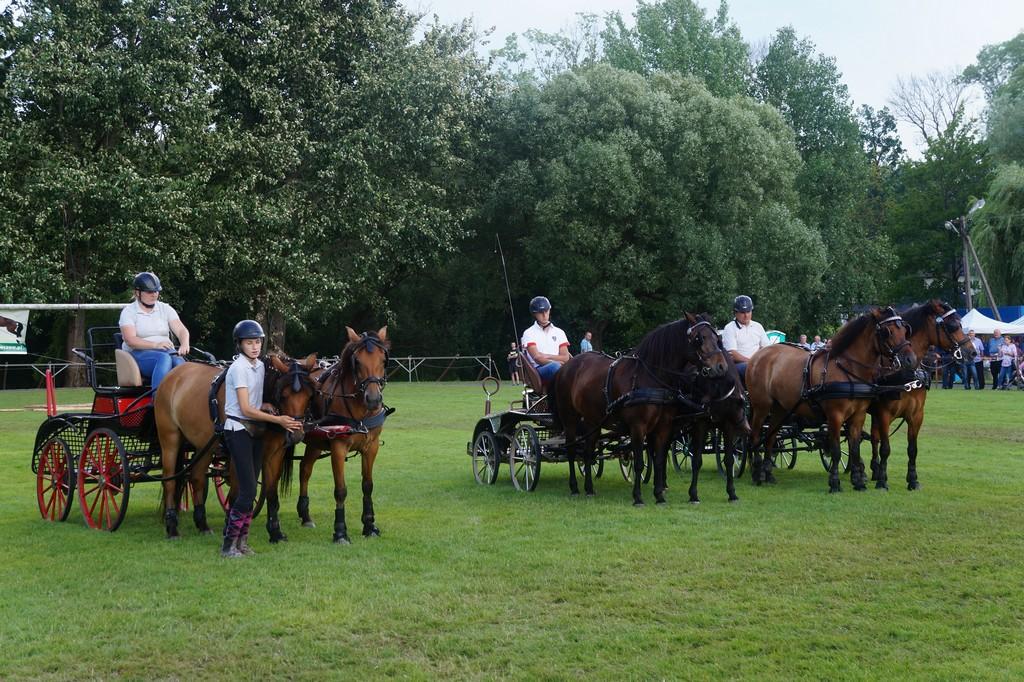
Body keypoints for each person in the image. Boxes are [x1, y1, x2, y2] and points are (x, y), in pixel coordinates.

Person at [220, 320, 302, 558]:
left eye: (257, 342)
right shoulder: (239, 368)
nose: (255, 347)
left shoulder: (259, 367)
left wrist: (265, 404)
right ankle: (228, 546)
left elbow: (255, 402)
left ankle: (242, 543)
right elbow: (245, 409)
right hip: (238, 429)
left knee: (250, 492)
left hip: (256, 430)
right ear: (239, 345)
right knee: (247, 492)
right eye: (249, 343)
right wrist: (279, 420)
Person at [119, 271, 190, 391]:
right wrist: (155, 345)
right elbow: (130, 340)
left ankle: (186, 398)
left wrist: (184, 344)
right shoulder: (129, 312)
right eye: (149, 292)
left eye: (156, 291)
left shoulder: (165, 308)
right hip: (138, 353)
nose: (154, 295)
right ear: (137, 293)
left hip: (166, 351)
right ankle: (156, 398)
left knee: (180, 363)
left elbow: (181, 330)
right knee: (163, 359)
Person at [521, 296, 571, 382]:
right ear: (534, 314)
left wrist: (547, 356)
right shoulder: (529, 333)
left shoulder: (559, 332)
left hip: (560, 367)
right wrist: (557, 362)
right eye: (541, 312)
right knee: (555, 367)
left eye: (546, 311)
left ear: (549, 310)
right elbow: (537, 358)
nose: (544, 315)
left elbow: (565, 357)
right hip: (538, 370)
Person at [721, 295, 770, 382]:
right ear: (735, 313)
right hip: (738, 365)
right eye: (742, 312)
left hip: (757, 363)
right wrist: (752, 362)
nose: (746, 315)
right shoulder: (730, 328)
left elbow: (766, 348)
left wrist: (759, 360)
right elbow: (733, 355)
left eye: (748, 311)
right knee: (751, 368)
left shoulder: (758, 326)